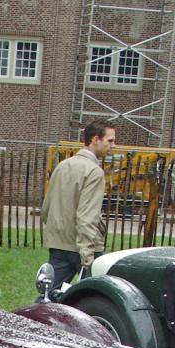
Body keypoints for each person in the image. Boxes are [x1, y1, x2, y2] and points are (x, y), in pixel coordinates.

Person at [41, 120, 116, 289]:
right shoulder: (94, 172)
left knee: (49, 296)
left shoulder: (62, 166)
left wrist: (58, 234)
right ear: (95, 139)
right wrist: (88, 255)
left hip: (59, 244)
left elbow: (46, 209)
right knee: (92, 299)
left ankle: (30, 317)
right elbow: (87, 216)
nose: (113, 145)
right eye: (110, 140)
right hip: (84, 247)